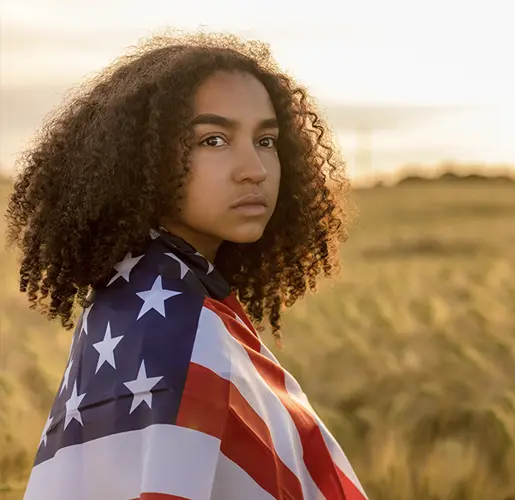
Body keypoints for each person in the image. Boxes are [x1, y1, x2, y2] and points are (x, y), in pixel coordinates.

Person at [5, 30, 367, 500]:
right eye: (213, 140)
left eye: (266, 140)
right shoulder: (179, 328)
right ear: (142, 161)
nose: (254, 168)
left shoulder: (137, 298)